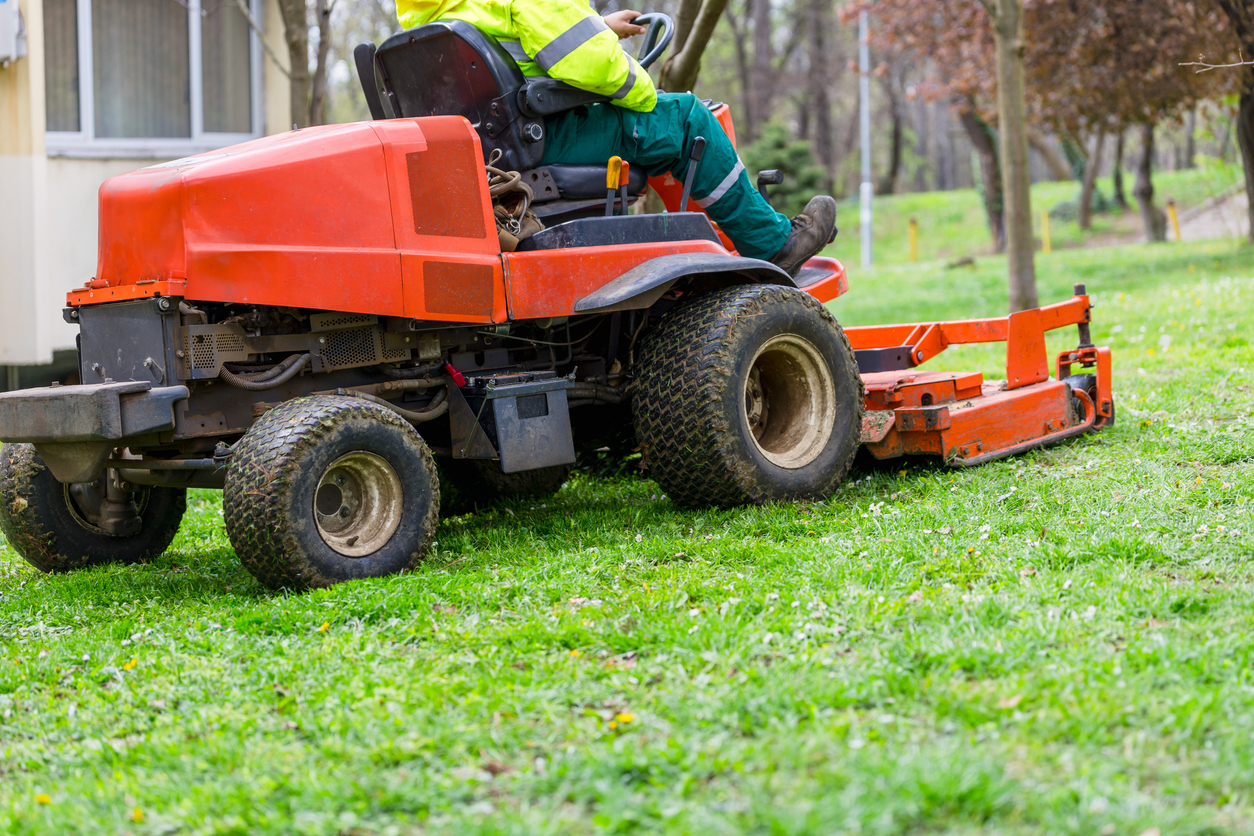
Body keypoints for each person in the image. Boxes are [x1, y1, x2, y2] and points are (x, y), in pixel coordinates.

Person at [396, 0, 837, 275]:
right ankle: (771, 243)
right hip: (546, 137)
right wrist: (647, 91)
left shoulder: (432, 13)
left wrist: (597, 26)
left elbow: (524, 43)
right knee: (684, 117)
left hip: (497, 154)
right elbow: (602, 70)